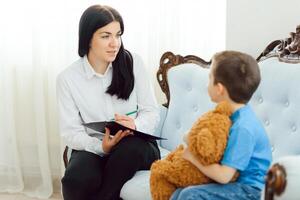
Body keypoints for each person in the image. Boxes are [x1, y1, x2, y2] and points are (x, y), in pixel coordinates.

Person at [56, 5, 160, 200]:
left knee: (128, 151)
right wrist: (101, 148)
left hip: (136, 145)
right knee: (76, 180)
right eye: (106, 36)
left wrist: (135, 124)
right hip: (94, 144)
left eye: (118, 35)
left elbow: (151, 111)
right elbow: (70, 131)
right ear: (88, 38)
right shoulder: (68, 79)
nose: (115, 43)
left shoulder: (133, 63)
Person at [170, 51, 272, 200]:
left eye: (209, 78)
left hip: (251, 191)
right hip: (237, 184)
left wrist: (193, 157)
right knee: (179, 192)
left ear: (219, 88)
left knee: (189, 194)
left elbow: (224, 176)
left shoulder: (243, 126)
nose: (207, 83)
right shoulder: (230, 116)